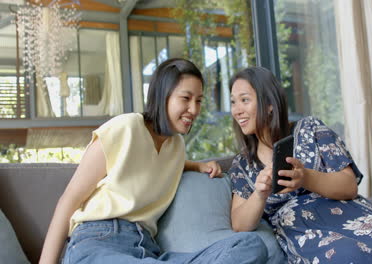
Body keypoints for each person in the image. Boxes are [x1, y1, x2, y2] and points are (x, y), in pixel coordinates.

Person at [39, 59, 268, 264]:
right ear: (162, 95)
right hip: (99, 242)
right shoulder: (125, 128)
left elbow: (159, 163)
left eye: (198, 101)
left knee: (250, 246)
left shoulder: (175, 147)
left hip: (147, 251)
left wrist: (196, 165)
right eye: (186, 98)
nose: (194, 109)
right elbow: (69, 199)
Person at [228, 66, 372, 264]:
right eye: (233, 102)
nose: (237, 110)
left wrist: (305, 177)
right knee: (345, 254)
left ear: (269, 104)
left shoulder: (310, 129)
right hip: (306, 231)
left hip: (351, 217)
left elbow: (349, 186)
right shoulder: (242, 165)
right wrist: (259, 194)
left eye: (244, 100)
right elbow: (239, 224)